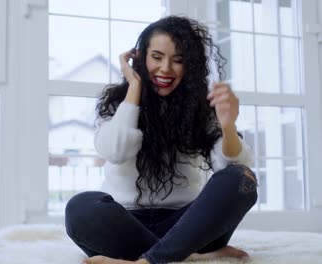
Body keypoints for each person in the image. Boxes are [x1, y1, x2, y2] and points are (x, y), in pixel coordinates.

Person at [64, 15, 258, 264]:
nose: (165, 68)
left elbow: (230, 166)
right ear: (141, 58)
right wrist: (134, 87)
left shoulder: (201, 108)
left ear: (191, 66)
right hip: (125, 224)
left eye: (178, 60)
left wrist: (228, 125)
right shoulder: (117, 104)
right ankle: (188, 257)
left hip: (189, 225)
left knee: (241, 178)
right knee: (80, 206)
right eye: (157, 57)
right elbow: (116, 150)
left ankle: (150, 260)